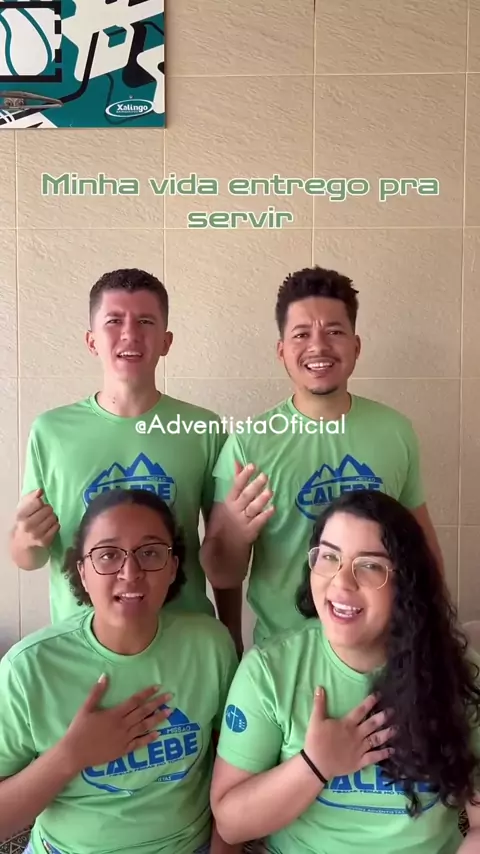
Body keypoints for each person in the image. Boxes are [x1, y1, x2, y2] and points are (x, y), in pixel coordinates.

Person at [210, 490, 480, 854]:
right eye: (329, 557)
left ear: (407, 582)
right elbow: (230, 823)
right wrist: (314, 766)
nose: (341, 581)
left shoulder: (457, 670)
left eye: (369, 565)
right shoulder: (269, 671)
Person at [200, 265, 443, 645]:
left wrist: (436, 631)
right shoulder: (248, 444)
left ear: (356, 346)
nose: (318, 346)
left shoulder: (395, 431)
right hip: (285, 653)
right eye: (301, 334)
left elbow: (423, 549)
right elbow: (222, 574)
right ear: (281, 351)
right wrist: (233, 533)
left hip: (382, 649)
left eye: (334, 332)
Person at [9, 267, 243, 654]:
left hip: (185, 643)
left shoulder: (202, 428)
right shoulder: (51, 431)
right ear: (91, 341)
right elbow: (30, 556)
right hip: (82, 644)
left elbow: (223, 547)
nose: (130, 334)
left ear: (166, 341)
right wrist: (24, 539)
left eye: (145, 322)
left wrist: (232, 636)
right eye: (114, 321)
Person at [0, 488, 242, 854]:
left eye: (150, 553)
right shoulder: (28, 669)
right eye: (108, 554)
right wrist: (69, 755)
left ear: (173, 566)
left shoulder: (210, 646)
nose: (130, 572)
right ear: (82, 572)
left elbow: (234, 770)